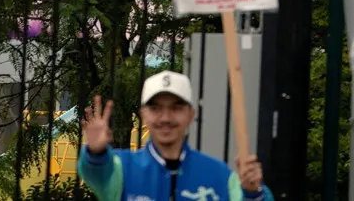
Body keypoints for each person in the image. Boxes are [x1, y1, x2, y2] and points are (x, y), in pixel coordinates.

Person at [78, 70, 274, 201]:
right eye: (155, 108)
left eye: (176, 108)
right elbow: (97, 173)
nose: (165, 117)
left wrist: (252, 192)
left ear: (191, 114)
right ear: (143, 115)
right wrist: (96, 152)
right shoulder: (121, 168)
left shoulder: (220, 176)